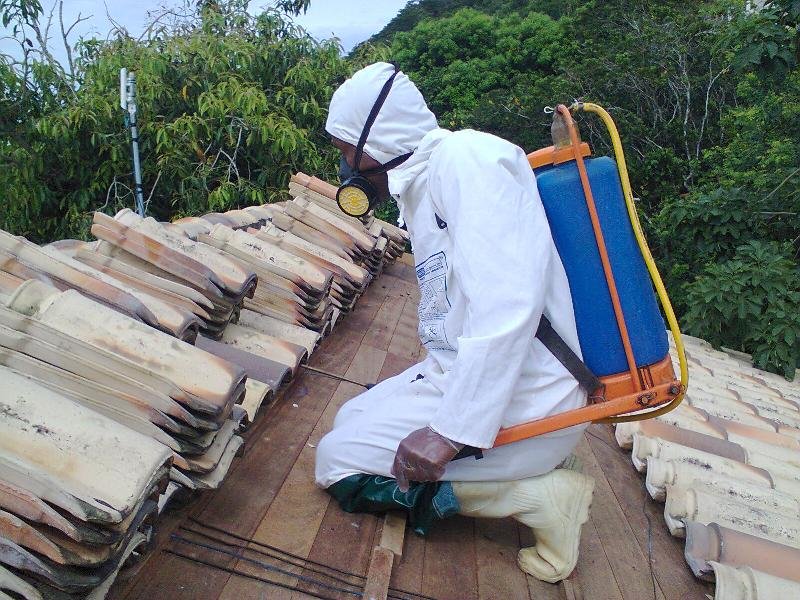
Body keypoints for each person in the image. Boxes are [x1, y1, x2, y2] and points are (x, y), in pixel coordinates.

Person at [314, 62, 594, 582]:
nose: (346, 166)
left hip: (531, 395)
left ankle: (538, 494)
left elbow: (509, 305)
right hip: (479, 380)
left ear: (377, 139)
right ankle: (528, 467)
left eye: (347, 150)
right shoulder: (426, 180)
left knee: (337, 461)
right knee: (348, 419)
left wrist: (450, 432)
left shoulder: (467, 161)